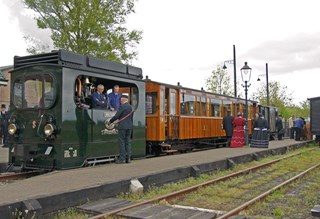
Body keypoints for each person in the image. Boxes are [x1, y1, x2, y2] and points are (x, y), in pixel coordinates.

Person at [109, 95, 134, 164]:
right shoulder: (131, 107)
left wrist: (110, 121)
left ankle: (122, 159)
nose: (120, 101)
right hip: (129, 127)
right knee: (128, 142)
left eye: (120, 100)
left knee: (122, 142)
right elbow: (131, 118)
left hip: (122, 127)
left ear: (122, 100)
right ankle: (128, 158)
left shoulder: (122, 107)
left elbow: (117, 116)